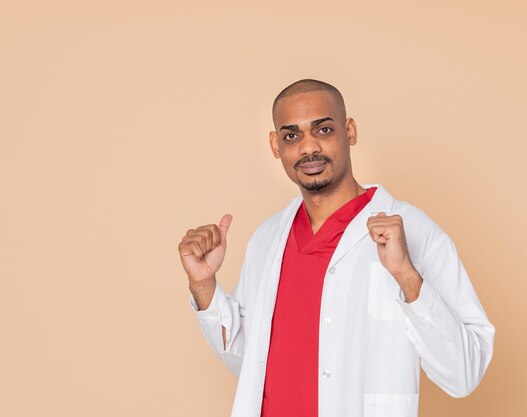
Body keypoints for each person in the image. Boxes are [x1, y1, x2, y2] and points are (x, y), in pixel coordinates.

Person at [177, 79, 495, 417]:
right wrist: (204, 286)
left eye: (324, 130)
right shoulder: (268, 238)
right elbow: (251, 365)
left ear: (350, 131)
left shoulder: (414, 231)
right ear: (274, 145)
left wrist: (407, 277)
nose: (308, 147)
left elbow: (464, 375)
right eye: (291, 136)